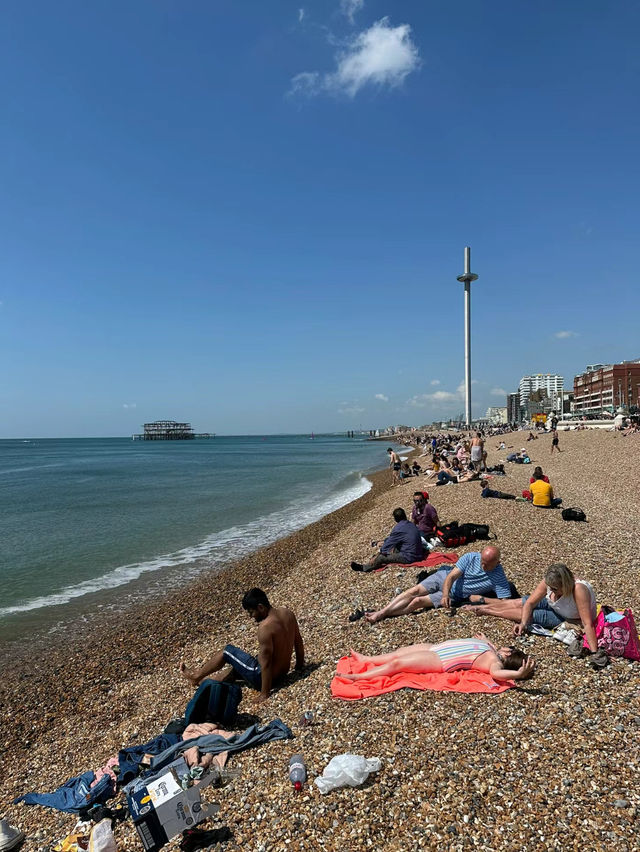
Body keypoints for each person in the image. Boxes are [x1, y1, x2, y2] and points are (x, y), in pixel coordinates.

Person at [180, 588, 305, 703]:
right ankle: (205, 682)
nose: (251, 616)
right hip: (282, 674)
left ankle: (196, 676)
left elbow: (266, 664)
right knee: (236, 669)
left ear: (260, 607)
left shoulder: (265, 627)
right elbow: (298, 641)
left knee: (227, 651)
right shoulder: (288, 613)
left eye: (251, 612)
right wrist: (299, 666)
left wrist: (264, 694)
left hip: (262, 678)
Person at [462, 563, 598, 651]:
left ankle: (485, 610)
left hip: (566, 617)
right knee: (520, 602)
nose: (551, 590)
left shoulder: (578, 589)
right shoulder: (550, 583)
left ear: (565, 585)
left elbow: (587, 623)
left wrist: (594, 651)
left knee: (530, 614)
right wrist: (523, 623)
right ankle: (484, 601)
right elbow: (530, 603)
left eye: (555, 589)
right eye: (550, 587)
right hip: (554, 605)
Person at [364, 546, 513, 623]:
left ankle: (385, 614)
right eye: (482, 562)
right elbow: (452, 576)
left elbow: (505, 603)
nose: (483, 566)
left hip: (457, 595)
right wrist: (445, 593)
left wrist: (482, 599)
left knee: (417, 602)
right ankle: (382, 612)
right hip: (444, 578)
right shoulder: (471, 557)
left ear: (497, 562)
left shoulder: (498, 575)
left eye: (487, 564)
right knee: (415, 590)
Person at [341, 635, 535, 683]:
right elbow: (493, 647)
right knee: (399, 652)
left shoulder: (494, 661)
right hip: (438, 647)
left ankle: (360, 677)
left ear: (508, 653)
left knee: (397, 664)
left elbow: (496, 673)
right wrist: (487, 641)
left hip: (440, 659)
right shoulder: (491, 648)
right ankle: (367, 658)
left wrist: (517, 675)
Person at [351, 508, 424, 573]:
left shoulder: (398, 528)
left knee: (381, 557)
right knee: (393, 548)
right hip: (419, 552)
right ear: (405, 515)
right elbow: (393, 539)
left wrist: (377, 556)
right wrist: (385, 542)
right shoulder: (411, 524)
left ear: (395, 519)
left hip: (410, 557)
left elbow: (387, 546)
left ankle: (364, 568)